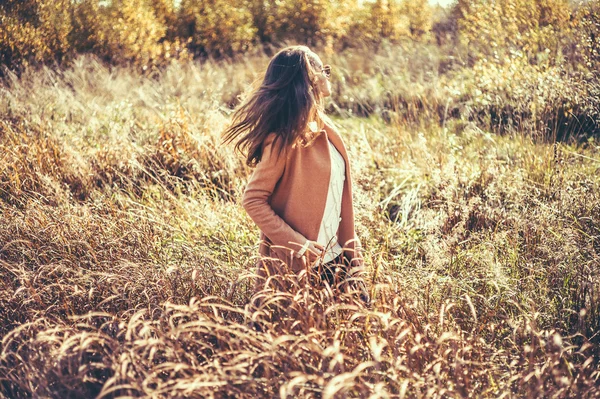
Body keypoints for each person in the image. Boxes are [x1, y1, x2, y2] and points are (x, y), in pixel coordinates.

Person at [222, 45, 370, 305]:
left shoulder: (326, 128)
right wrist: (297, 244)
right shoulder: (282, 139)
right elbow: (253, 199)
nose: (328, 75)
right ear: (310, 76)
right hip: (299, 268)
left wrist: (353, 256)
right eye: (324, 70)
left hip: (339, 259)